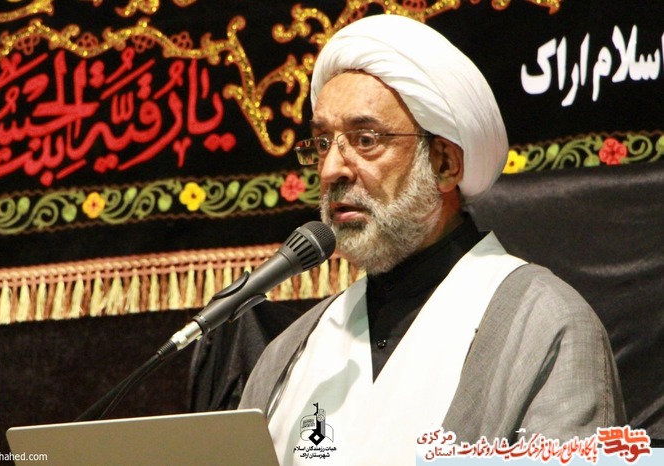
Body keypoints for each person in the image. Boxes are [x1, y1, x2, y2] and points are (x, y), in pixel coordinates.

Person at [238, 14, 625, 464]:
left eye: (365, 140)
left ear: (444, 163)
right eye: (323, 143)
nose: (331, 170)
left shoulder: (546, 326)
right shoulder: (291, 353)